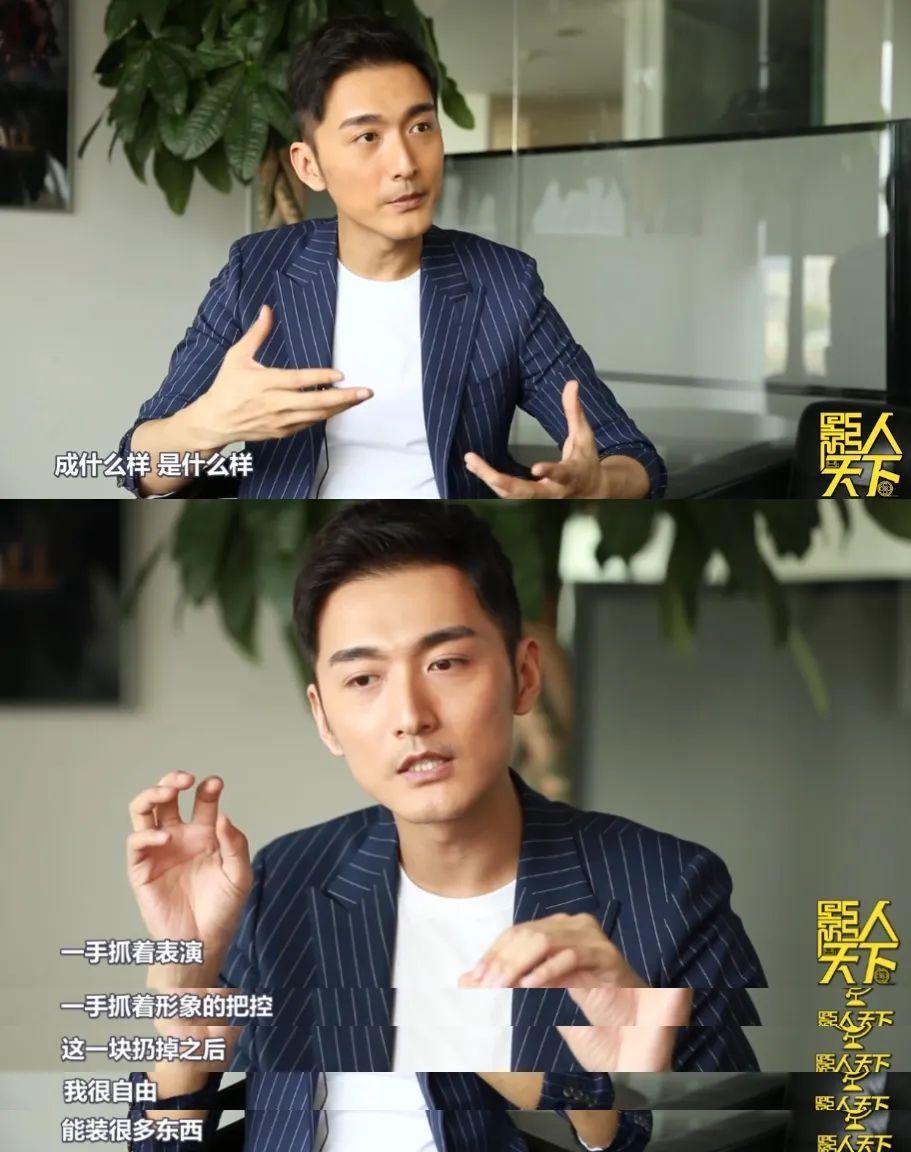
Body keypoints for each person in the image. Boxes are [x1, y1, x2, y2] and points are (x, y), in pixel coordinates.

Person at [124, 502, 764, 1152]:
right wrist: (185, 1003)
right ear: (324, 719)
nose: (411, 716)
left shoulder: (669, 888)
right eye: (363, 678)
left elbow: (727, 1136)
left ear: (524, 676)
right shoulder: (283, 882)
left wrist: (607, 1089)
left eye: (446, 663)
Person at [116, 16, 666, 502]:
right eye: (367, 137)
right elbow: (133, 467)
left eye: (421, 127)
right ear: (309, 166)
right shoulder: (256, 272)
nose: (405, 162)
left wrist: (599, 485)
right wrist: (209, 424)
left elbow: (633, 456)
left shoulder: (503, 281)